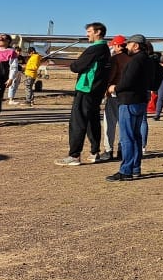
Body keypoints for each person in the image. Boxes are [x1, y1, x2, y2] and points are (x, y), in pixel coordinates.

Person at [53, 23, 111, 165]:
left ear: (98, 32)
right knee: (92, 120)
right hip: (96, 90)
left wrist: (76, 63)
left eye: (89, 31)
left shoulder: (95, 49)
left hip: (86, 89)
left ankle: (74, 155)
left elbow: (77, 66)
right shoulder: (105, 49)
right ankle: (94, 152)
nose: (87, 34)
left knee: (78, 121)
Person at [106, 35, 152, 182]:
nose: (127, 47)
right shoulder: (147, 60)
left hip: (129, 101)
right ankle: (135, 168)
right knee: (136, 136)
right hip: (140, 101)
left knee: (126, 137)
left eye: (129, 44)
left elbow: (127, 82)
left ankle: (126, 170)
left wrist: (115, 88)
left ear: (136, 46)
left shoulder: (135, 61)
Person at [102, 35, 130, 160]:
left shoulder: (115, 59)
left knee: (110, 123)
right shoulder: (132, 58)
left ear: (118, 46)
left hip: (114, 94)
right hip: (128, 95)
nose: (112, 47)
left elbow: (110, 76)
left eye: (114, 45)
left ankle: (108, 150)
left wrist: (106, 88)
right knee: (124, 124)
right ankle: (122, 149)